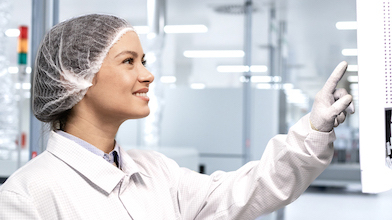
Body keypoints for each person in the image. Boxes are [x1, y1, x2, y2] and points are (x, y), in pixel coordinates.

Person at [0, 14, 354, 219]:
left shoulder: (157, 171)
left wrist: (314, 129)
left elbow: (247, 191)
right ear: (73, 76)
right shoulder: (27, 195)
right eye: (129, 61)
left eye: (144, 61)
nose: (147, 75)